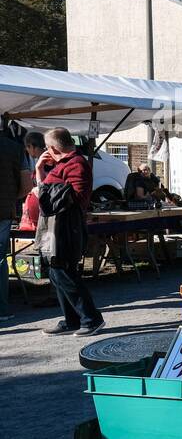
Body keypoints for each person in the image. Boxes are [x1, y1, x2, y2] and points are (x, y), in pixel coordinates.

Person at [37, 128, 104, 336]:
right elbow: (48, 192)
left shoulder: (76, 163)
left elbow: (75, 196)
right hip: (55, 226)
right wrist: (41, 170)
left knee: (64, 271)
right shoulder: (63, 164)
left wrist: (45, 187)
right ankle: (72, 319)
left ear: (53, 148)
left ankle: (91, 319)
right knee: (56, 273)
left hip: (67, 226)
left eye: (48, 147)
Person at [0, 131, 23, 320]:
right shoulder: (13, 147)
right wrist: (10, 200)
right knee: (0, 260)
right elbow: (26, 184)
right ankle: (2, 308)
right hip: (3, 211)